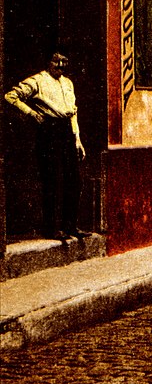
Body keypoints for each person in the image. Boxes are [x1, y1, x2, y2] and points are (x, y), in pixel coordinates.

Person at [5, 52, 86, 242]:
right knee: (52, 180)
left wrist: (77, 139)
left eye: (64, 62)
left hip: (67, 131)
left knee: (74, 179)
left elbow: (73, 113)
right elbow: (10, 96)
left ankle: (70, 226)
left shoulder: (67, 83)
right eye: (56, 61)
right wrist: (31, 113)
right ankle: (51, 228)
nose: (61, 65)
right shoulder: (37, 81)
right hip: (49, 131)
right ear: (48, 62)